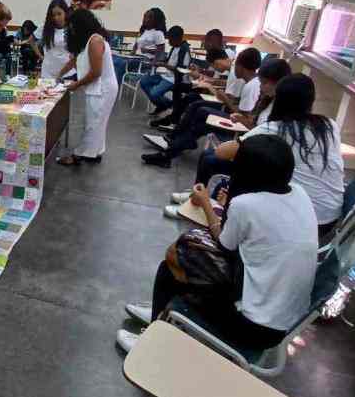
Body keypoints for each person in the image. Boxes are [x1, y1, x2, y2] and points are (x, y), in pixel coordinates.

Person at [118, 134, 318, 352]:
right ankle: (162, 310)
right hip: (284, 322)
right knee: (192, 264)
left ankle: (151, 340)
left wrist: (206, 202)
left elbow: (224, 243)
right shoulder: (300, 193)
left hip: (251, 326)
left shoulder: (246, 205)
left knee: (173, 267)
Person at [207, 74, 345, 237]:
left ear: (278, 99)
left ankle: (206, 208)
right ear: (311, 100)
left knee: (215, 162)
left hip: (297, 221)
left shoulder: (276, 128)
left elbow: (221, 152)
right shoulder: (329, 125)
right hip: (330, 220)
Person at [164, 58, 292, 217]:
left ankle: (197, 201)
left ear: (279, 84)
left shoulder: (279, 115)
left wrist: (235, 114)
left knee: (210, 157)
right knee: (202, 131)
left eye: (264, 83)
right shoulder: (268, 101)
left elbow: (258, 131)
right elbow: (254, 124)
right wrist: (241, 119)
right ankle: (196, 195)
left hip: (257, 160)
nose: (261, 86)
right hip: (252, 148)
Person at [142, 47, 262, 168]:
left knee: (200, 110)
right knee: (198, 121)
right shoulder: (251, 82)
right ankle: (170, 151)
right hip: (235, 119)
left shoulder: (251, 86)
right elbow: (238, 104)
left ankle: (172, 145)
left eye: (236, 64)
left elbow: (242, 117)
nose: (233, 66)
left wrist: (224, 98)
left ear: (241, 66)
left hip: (238, 129)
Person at [55, 9, 119, 165]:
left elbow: (96, 72)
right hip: (97, 88)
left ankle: (79, 155)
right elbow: (75, 61)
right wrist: (59, 75)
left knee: (93, 123)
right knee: (97, 122)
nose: (71, 30)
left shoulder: (95, 41)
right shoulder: (87, 41)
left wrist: (75, 84)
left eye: (72, 26)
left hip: (102, 89)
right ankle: (95, 152)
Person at [150, 28, 230, 129]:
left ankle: (175, 122)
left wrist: (208, 84)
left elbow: (223, 84)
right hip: (209, 87)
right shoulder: (218, 56)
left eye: (206, 41)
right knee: (179, 88)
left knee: (188, 95)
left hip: (214, 93)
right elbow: (215, 74)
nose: (204, 44)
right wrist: (201, 72)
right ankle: (174, 119)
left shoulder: (224, 57)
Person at [139, 25, 193, 116]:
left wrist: (164, 65)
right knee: (144, 81)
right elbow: (168, 60)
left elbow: (182, 70)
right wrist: (157, 61)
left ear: (177, 38)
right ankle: (163, 104)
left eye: (170, 39)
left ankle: (167, 104)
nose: (169, 42)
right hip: (166, 75)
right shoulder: (174, 48)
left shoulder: (185, 50)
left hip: (175, 79)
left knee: (154, 93)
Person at [40, 0, 74, 81]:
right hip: (47, 73)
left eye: (59, 14)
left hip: (68, 73)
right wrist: (40, 56)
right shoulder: (45, 27)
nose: (56, 18)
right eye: (53, 15)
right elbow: (31, 40)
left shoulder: (71, 28)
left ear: (65, 13)